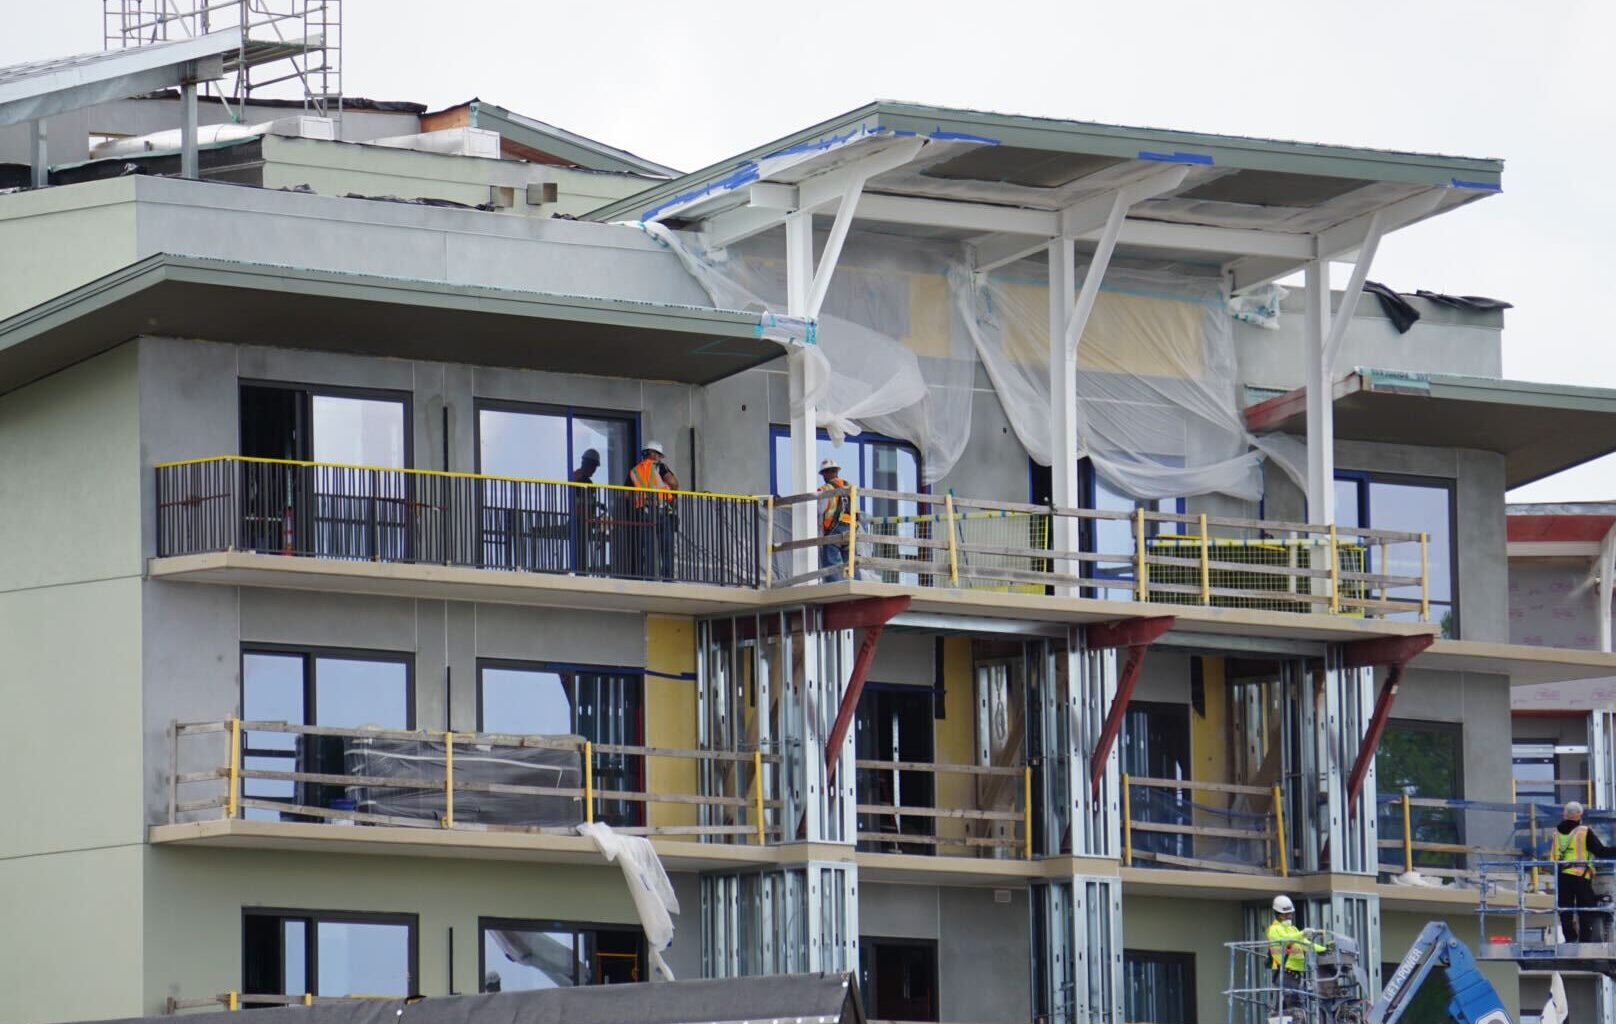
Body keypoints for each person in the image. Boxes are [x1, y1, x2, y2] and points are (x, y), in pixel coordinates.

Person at [1550, 800, 1613, 943]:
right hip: (1580, 875)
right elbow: (1600, 851)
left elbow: (1553, 857)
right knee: (1586, 908)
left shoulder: (1556, 833)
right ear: (1580, 814)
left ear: (1564, 814)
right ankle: (1585, 940)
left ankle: (1570, 939)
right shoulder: (1584, 831)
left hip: (1562, 875)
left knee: (1565, 909)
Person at [625, 441, 678, 579]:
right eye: (659, 455)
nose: (660, 458)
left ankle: (648, 578)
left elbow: (626, 495)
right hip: (662, 512)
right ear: (654, 454)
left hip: (644, 514)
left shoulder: (634, 471)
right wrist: (674, 495)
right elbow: (672, 482)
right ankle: (668, 578)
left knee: (648, 548)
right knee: (666, 548)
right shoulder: (659, 467)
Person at [1267, 895, 1326, 1014]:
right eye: (1286, 914)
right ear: (1278, 914)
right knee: (1293, 1009)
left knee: (1289, 1009)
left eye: (1290, 913)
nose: (1289, 916)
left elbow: (1305, 944)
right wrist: (1302, 933)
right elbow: (1285, 940)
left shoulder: (1293, 929)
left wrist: (1324, 949)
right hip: (1285, 974)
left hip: (1295, 976)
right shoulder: (1273, 929)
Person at [568, 449, 602, 573]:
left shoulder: (580, 478)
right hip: (579, 520)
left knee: (581, 550)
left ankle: (581, 570)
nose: (594, 470)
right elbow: (581, 500)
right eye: (593, 467)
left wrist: (597, 505)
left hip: (582, 520)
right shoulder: (580, 479)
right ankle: (580, 572)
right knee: (580, 550)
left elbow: (587, 501)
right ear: (587, 464)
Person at [817, 457, 852, 572]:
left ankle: (835, 586)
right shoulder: (849, 486)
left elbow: (820, 511)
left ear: (825, 474)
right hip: (850, 528)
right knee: (851, 563)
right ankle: (855, 584)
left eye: (824, 473)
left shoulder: (824, 489)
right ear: (837, 472)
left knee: (831, 564)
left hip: (833, 529)